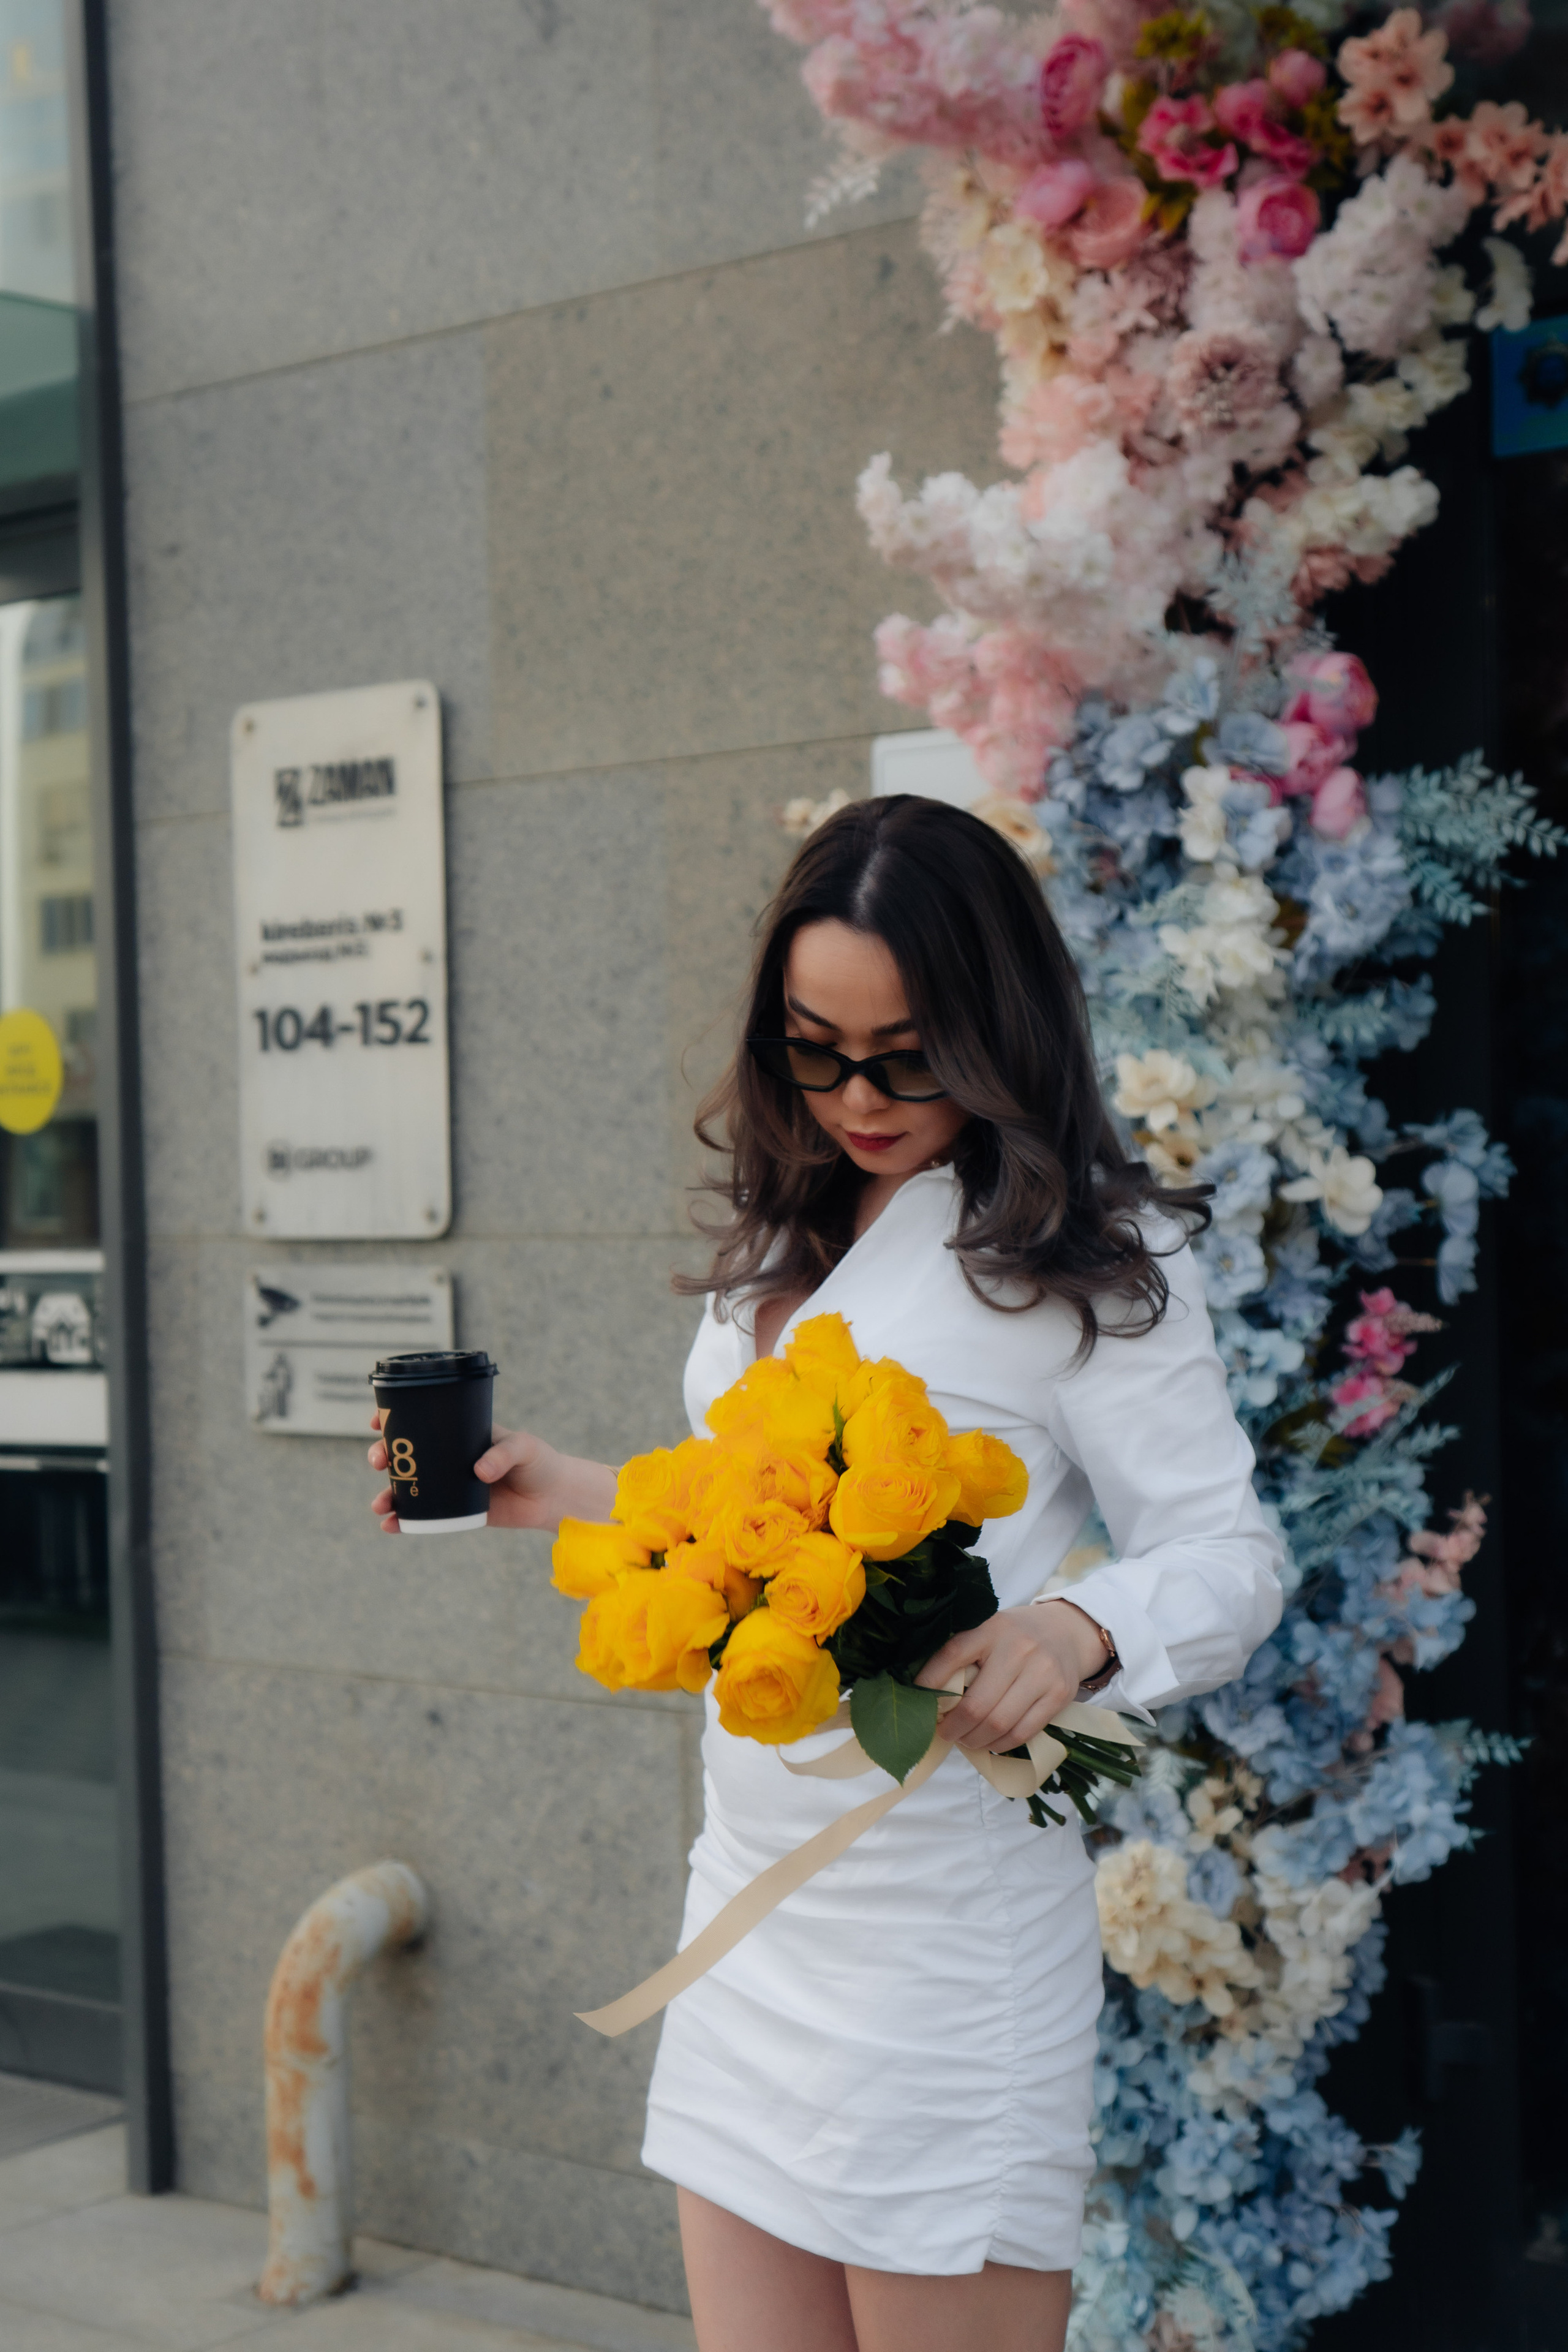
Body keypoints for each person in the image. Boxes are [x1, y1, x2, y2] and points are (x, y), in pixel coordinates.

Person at [369, 796, 1284, 2352]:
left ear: (995, 1028)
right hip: (751, 1900)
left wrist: (1075, 1625)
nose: (857, 1095)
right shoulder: (791, 1223)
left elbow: (1229, 1557)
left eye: (905, 1054)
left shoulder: (1074, 1254)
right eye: (814, 1048)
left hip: (942, 1938)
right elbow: (749, 1521)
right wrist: (556, 1497)